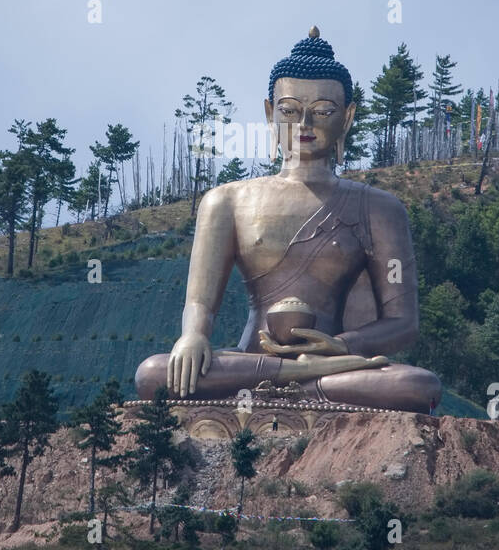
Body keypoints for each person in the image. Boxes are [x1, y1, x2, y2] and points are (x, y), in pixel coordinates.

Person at [134, 28, 441, 413]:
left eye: (324, 111)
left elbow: (402, 323)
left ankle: (285, 385)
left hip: (333, 364)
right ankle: (292, 379)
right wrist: (193, 337)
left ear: (347, 118)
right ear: (269, 113)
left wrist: (344, 346)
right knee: (153, 374)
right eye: (290, 110)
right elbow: (199, 302)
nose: (306, 122)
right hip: (254, 359)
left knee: (417, 385)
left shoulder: (380, 209)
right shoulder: (226, 201)